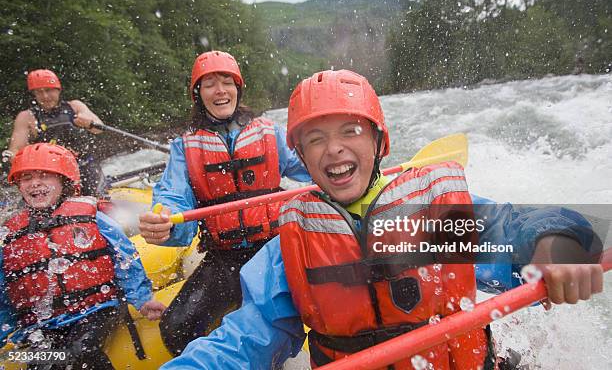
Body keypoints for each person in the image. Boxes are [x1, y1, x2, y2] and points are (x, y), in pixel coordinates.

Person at [160, 70, 604, 369]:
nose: (332, 149)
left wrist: (556, 245)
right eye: (315, 139)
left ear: (380, 142)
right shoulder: (290, 243)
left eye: (349, 131)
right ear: (301, 160)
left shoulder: (432, 212)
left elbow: (526, 227)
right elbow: (245, 339)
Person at [138, 51, 310, 356]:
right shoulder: (184, 148)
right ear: (198, 95)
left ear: (238, 89)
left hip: (273, 248)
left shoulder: (269, 133)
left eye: (227, 82)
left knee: (271, 320)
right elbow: (173, 197)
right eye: (210, 85)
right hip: (223, 256)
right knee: (176, 327)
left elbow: (308, 166)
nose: (220, 91)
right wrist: (163, 218)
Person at [0, 143, 166, 369]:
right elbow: (5, 288)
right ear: (19, 186)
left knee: (80, 351)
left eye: (44, 175)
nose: (35, 183)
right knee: (42, 363)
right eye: (27, 178)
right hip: (44, 324)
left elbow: (125, 257)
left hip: (96, 309)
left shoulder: (91, 217)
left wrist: (142, 299)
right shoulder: (12, 235)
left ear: (64, 181)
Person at [2, 69, 106, 196]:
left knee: (95, 194)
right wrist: (11, 156)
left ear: (58, 90)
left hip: (85, 167)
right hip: (52, 175)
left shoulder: (75, 106)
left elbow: (99, 128)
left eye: (48, 90)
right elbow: (16, 149)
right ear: (34, 94)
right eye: (39, 92)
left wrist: (89, 122)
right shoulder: (27, 117)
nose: (45, 96)